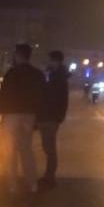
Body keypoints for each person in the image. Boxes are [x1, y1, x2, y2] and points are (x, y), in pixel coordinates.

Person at [0, 43, 45, 199]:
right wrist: (38, 118)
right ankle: (33, 184)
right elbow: (41, 96)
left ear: (18, 55)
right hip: (29, 116)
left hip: (11, 115)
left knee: (9, 151)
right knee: (26, 150)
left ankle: (12, 186)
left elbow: (4, 95)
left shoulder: (12, 73)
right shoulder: (37, 74)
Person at [37, 50, 69, 189]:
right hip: (46, 116)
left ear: (56, 61)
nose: (47, 62)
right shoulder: (52, 74)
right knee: (47, 146)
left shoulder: (59, 77)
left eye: (49, 60)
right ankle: (49, 175)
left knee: (49, 148)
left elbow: (61, 98)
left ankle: (50, 177)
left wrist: (59, 116)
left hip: (51, 117)